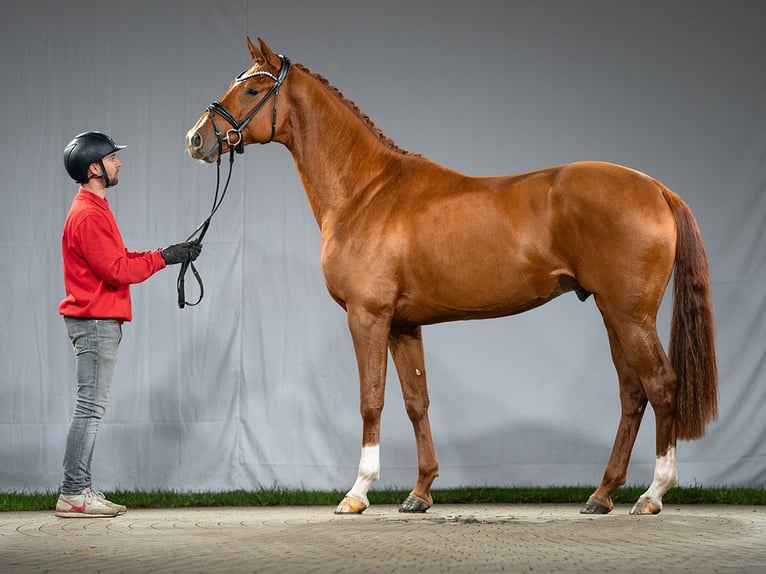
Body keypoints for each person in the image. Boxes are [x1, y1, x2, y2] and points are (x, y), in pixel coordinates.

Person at [55, 131, 201, 518]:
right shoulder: (87, 214)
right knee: (90, 409)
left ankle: (79, 488)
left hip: (98, 318)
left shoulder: (95, 208)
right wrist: (164, 260)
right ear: (94, 168)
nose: (119, 162)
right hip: (95, 320)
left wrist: (163, 253)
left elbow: (117, 257)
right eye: (112, 158)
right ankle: (73, 492)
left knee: (90, 408)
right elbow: (117, 270)